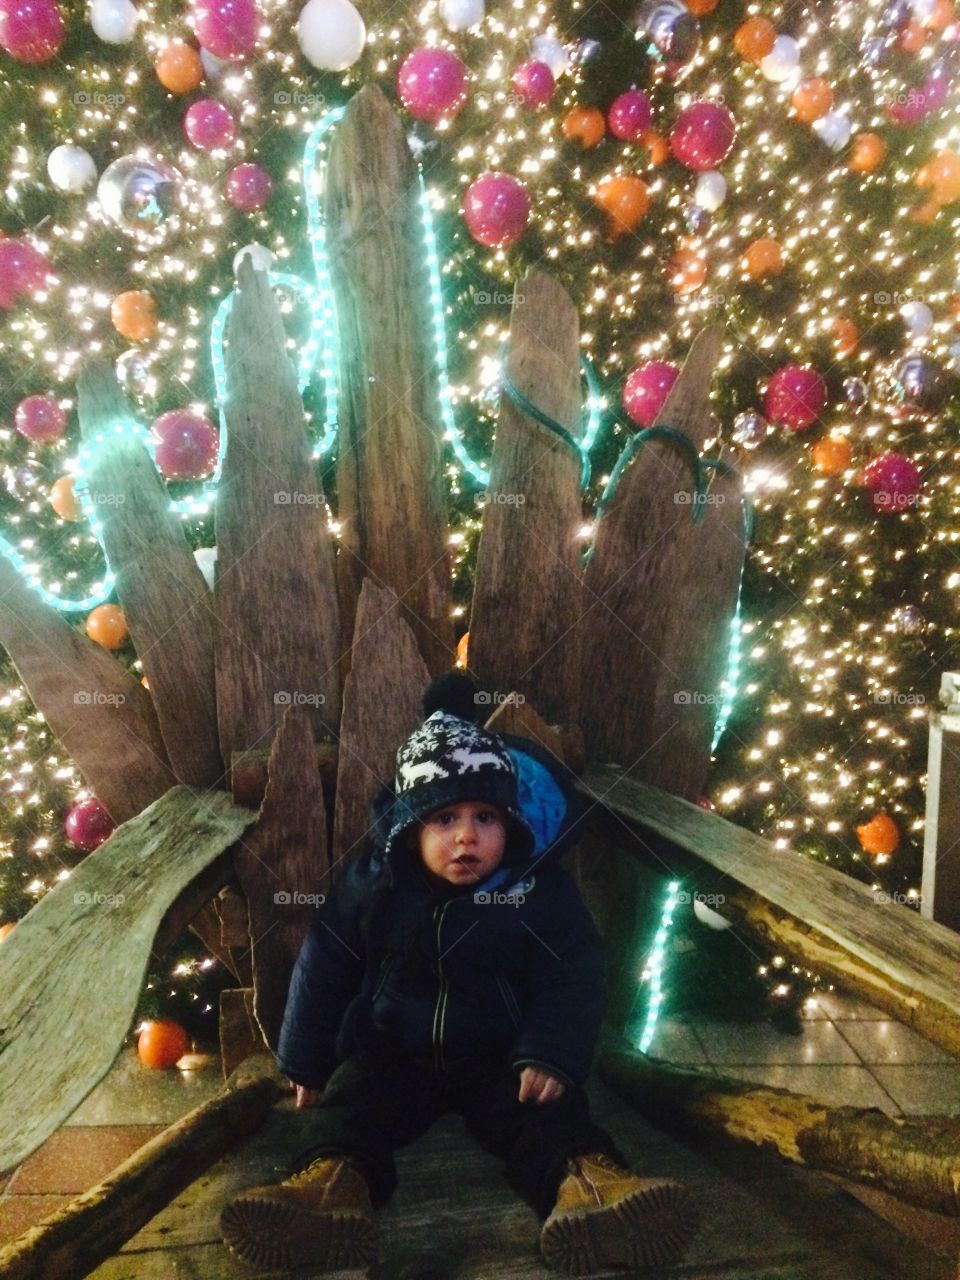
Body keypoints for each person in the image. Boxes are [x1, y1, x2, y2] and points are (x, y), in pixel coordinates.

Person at [220, 671, 697, 1274]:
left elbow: (572, 970)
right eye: (444, 820)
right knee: (354, 1105)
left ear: (511, 825)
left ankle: (594, 1189)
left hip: (500, 1054)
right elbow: (326, 963)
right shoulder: (376, 886)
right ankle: (329, 1191)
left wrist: (549, 1052)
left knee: (546, 1117)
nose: (467, 836)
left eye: (486, 818)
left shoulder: (535, 892)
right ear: (411, 828)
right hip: (394, 1048)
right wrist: (306, 1061)